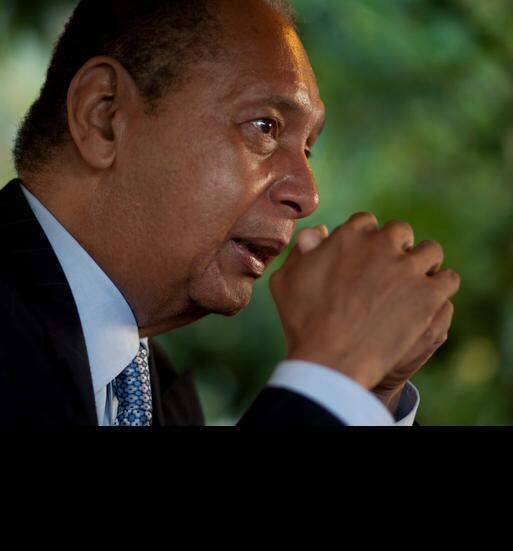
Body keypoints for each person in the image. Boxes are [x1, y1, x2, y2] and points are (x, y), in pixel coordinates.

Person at [0, 0, 459, 429]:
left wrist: (365, 388)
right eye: (265, 126)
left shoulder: (158, 391)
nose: (307, 196)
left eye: (308, 151)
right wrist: (330, 373)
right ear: (104, 115)